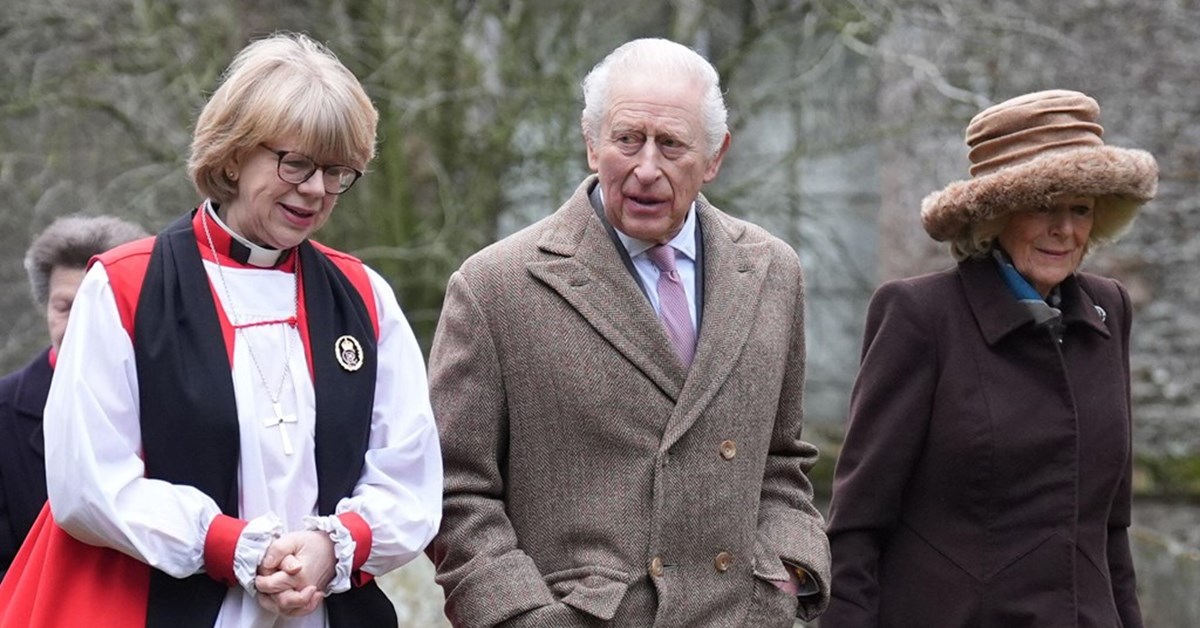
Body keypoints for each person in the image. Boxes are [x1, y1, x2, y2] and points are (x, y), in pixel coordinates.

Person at [0, 32, 442, 628]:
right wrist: (230, 546)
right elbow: (87, 481)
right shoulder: (125, 288)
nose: (316, 189)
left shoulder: (364, 297)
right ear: (233, 155)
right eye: (296, 163)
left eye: (337, 172)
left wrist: (332, 547)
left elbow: (409, 475)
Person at [426, 37, 830, 627]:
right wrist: (523, 618)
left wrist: (785, 573)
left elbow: (780, 460)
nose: (646, 168)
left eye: (671, 144)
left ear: (715, 156)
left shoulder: (772, 270)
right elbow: (453, 490)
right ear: (592, 143)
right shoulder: (496, 286)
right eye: (627, 139)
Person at [824, 90, 1158, 627]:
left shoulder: (1107, 310)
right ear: (995, 215)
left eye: (1081, 208)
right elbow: (858, 521)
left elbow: (1110, 527)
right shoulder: (919, 315)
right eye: (1044, 205)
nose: (1065, 229)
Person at [0, 214, 147, 578]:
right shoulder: (5, 414)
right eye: (65, 307)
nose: (80, 325)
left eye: (96, 308)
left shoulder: (179, 403)